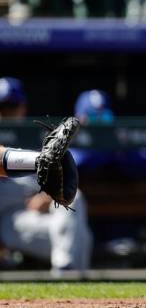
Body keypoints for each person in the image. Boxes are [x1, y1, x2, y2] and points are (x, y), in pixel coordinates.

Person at [0, 85, 90, 275]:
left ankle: (65, 280)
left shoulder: (32, 137)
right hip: (7, 220)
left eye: (10, 107)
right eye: (2, 108)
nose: (5, 113)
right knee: (80, 237)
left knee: (80, 231)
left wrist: (46, 189)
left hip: (25, 218)